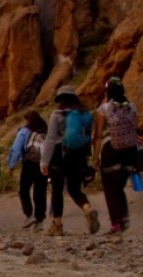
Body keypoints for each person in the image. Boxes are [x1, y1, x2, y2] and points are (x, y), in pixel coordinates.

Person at [40, 85, 100, 236]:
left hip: (59, 156)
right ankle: (88, 209)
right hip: (78, 156)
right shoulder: (84, 114)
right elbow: (88, 138)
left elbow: (51, 139)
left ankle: (57, 225)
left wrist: (44, 161)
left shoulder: (57, 114)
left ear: (60, 99)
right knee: (75, 189)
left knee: (57, 191)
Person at [94, 76, 140, 234]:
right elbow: (134, 128)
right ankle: (124, 218)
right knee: (119, 186)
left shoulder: (104, 108)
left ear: (108, 91)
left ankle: (116, 224)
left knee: (110, 188)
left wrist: (95, 157)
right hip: (130, 151)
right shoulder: (132, 107)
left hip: (111, 150)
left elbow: (98, 135)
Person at [8, 110, 48, 230]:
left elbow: (16, 149)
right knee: (40, 192)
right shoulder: (45, 130)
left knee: (23, 189)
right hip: (43, 163)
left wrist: (12, 164)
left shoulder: (25, 131)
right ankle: (40, 221)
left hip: (29, 164)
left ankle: (29, 214)